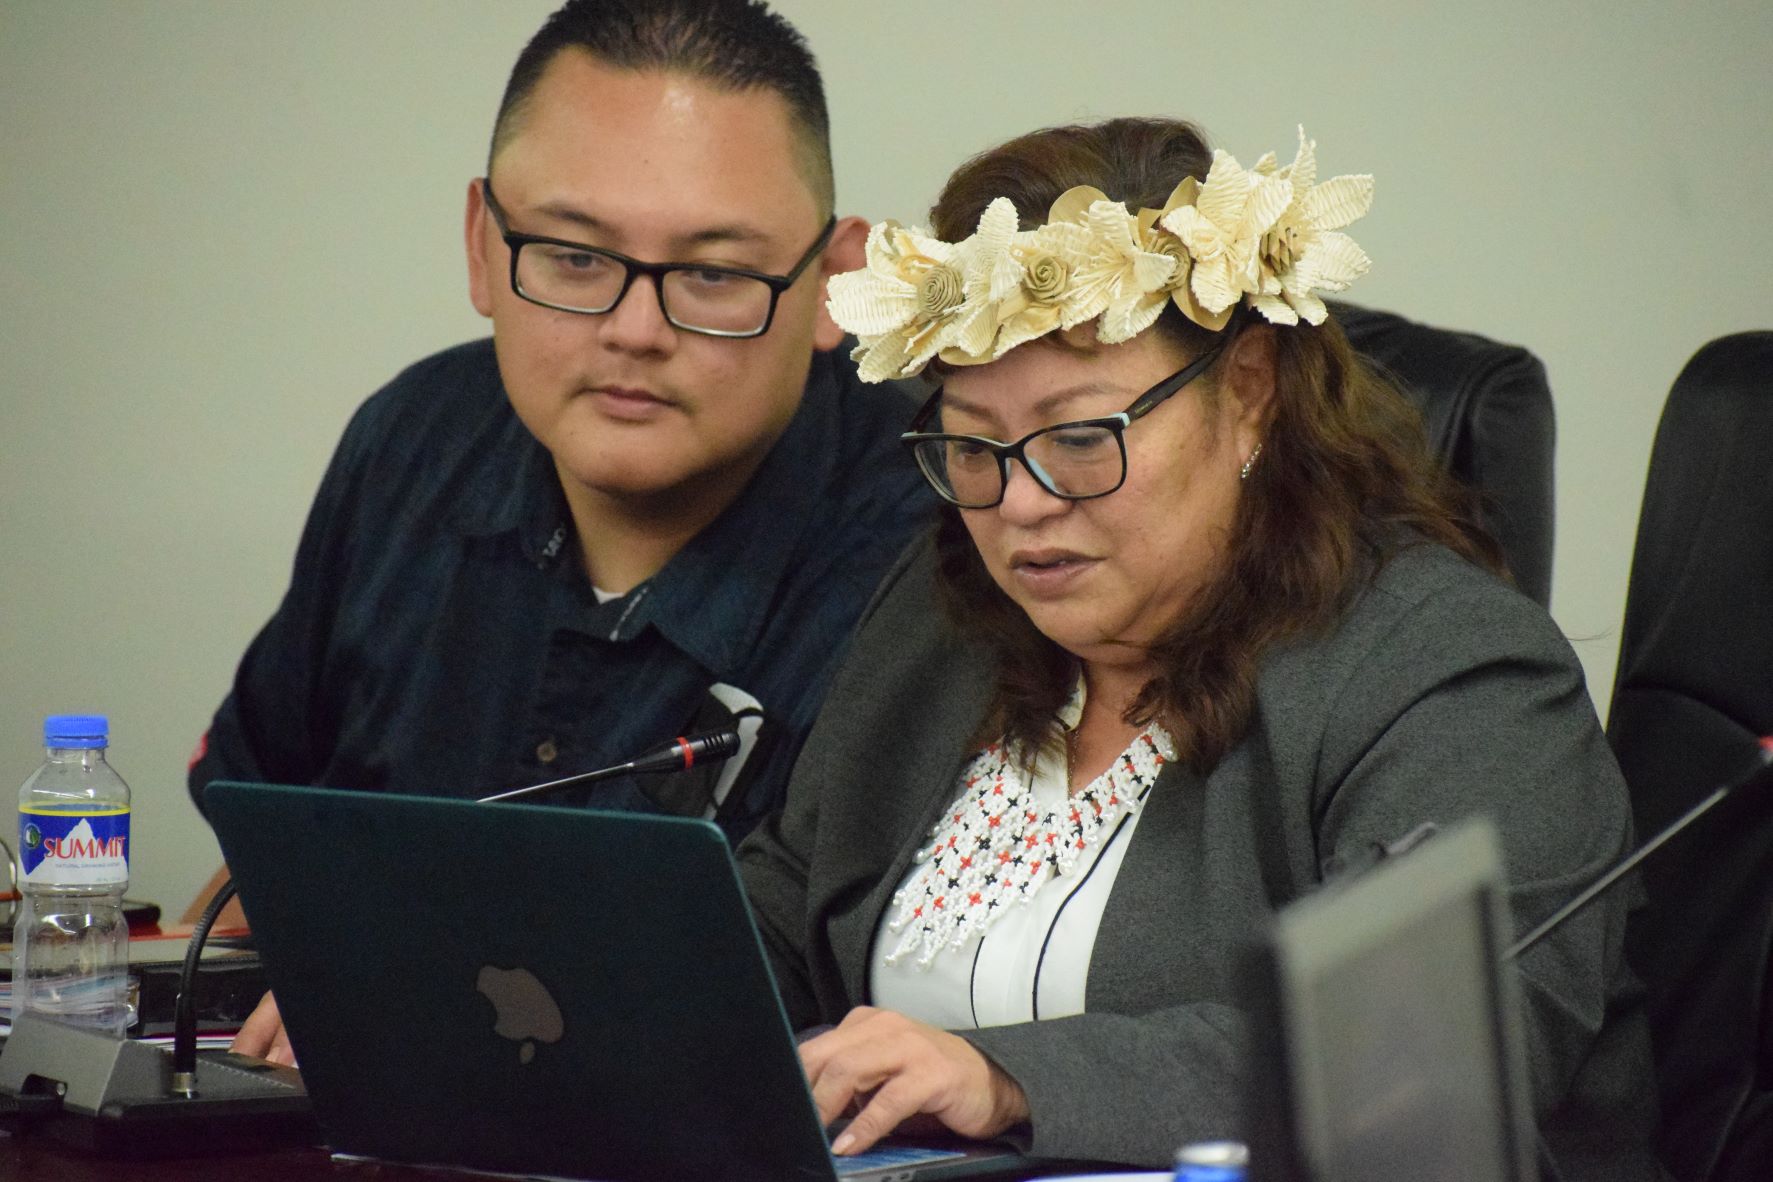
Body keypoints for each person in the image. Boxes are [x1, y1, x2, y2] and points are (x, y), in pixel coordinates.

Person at [737, 117, 1665, 1177]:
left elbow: (1421, 1059)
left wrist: (1005, 1081)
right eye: (974, 446)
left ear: (1250, 391)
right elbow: (785, 902)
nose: (1021, 504)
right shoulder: (945, 616)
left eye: (1081, 438)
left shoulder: (1456, 673)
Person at [189, 0, 931, 841]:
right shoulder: (414, 440)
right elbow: (262, 832)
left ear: (835, 283)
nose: (636, 332)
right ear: (482, 246)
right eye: (576, 259)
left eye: (715, 275)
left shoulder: (944, 549)